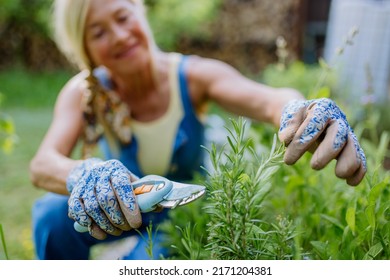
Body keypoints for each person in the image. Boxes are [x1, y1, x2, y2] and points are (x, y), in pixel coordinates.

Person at [29, 0, 367, 260]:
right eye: (98, 32)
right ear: (84, 48)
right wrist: (84, 172)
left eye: (122, 17)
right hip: (115, 210)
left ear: (139, 11)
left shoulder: (192, 77)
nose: (119, 36)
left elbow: (268, 100)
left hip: (181, 213)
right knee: (50, 217)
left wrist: (302, 110)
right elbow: (43, 164)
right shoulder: (84, 92)